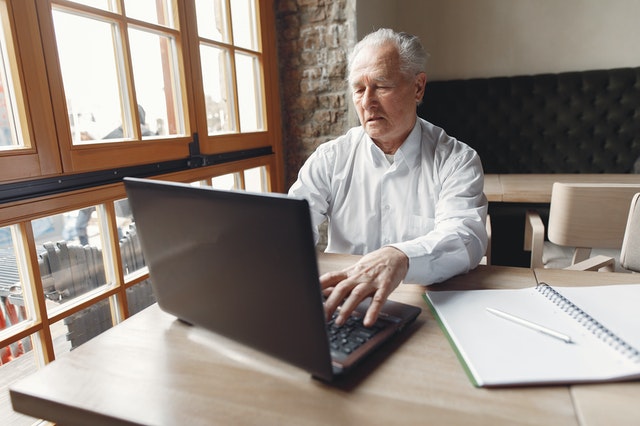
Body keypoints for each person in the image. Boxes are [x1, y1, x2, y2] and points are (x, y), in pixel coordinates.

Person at [288, 28, 488, 327]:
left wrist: (400, 257)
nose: (367, 102)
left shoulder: (457, 160)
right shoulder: (331, 158)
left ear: (418, 87)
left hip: (423, 311)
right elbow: (295, 222)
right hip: (339, 304)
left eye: (380, 85)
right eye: (358, 89)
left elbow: (465, 237)